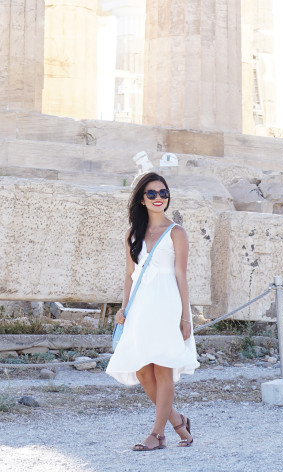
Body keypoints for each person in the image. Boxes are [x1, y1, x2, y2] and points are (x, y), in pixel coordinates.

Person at [106, 171, 198, 450]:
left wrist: (185, 317)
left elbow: (181, 276)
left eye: (163, 193)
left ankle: (157, 435)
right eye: (152, 193)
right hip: (140, 308)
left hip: (167, 306)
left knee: (163, 370)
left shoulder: (176, 233)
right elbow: (129, 274)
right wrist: (123, 309)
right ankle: (178, 420)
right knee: (143, 371)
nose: (159, 198)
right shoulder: (133, 234)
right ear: (142, 200)